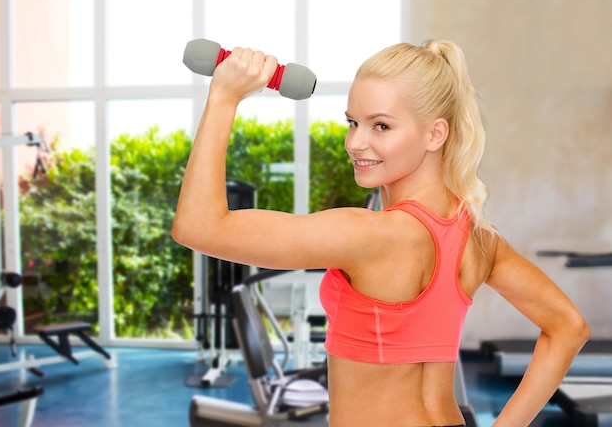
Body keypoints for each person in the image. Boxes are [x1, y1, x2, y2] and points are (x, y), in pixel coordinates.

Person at [172, 39, 590, 427]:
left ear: (435, 134)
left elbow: (198, 226)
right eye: (353, 122)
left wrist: (225, 96)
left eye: (381, 126)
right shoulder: (479, 236)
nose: (355, 142)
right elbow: (568, 326)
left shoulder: (370, 236)